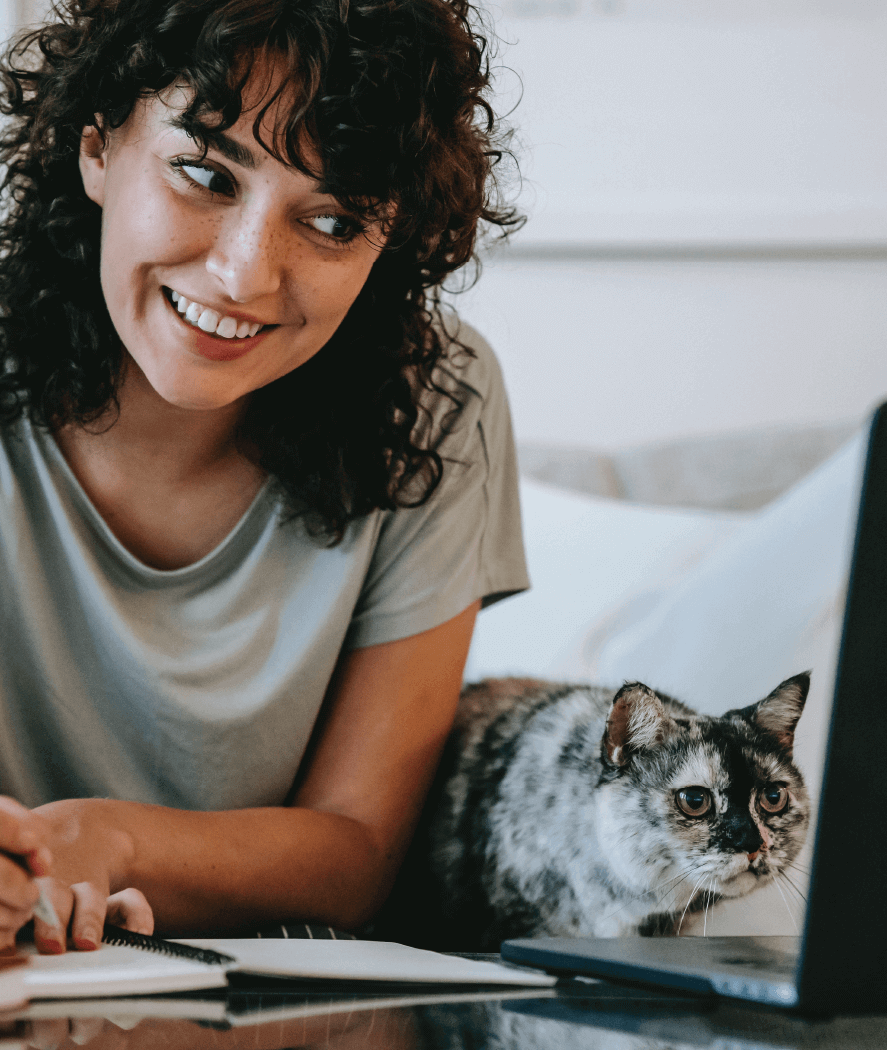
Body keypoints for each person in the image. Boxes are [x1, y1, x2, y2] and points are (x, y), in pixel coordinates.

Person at [0, 0, 526, 953]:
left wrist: (105, 839)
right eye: (204, 173)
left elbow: (358, 852)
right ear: (96, 149)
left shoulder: (442, 396)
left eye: (331, 221)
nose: (245, 275)